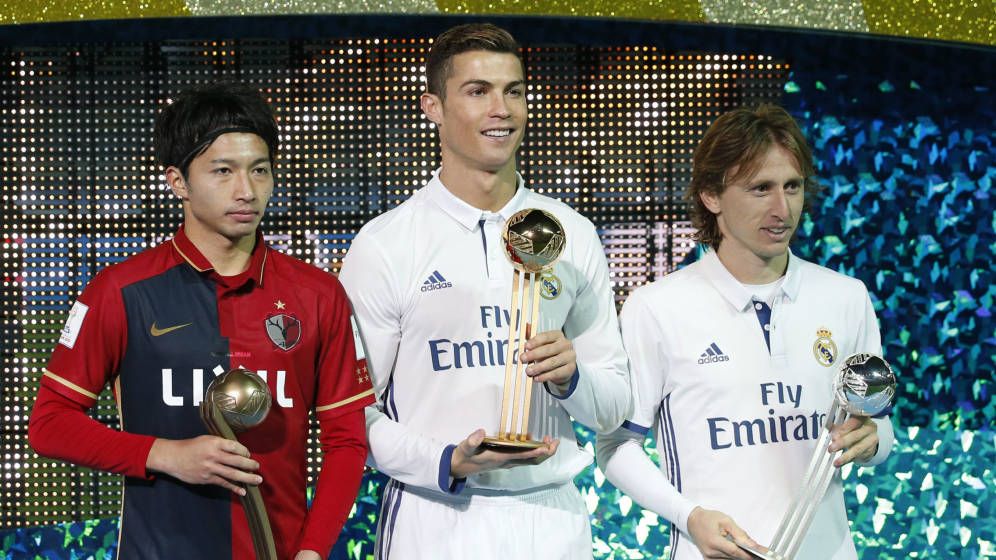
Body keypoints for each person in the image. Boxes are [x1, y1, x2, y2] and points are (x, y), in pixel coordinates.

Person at [28, 81, 375, 560]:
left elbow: (347, 441)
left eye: (260, 170)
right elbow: (49, 424)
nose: (246, 191)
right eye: (223, 171)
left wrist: (313, 550)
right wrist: (165, 454)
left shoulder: (319, 295)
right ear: (178, 182)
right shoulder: (120, 291)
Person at [338, 23, 631, 559]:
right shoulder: (386, 244)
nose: (502, 109)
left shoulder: (572, 233)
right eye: (478, 91)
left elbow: (612, 407)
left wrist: (572, 379)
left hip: (553, 521)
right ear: (433, 107)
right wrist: (445, 460)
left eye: (513, 91)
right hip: (435, 516)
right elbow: (352, 415)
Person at [596, 105, 895, 560]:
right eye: (761, 189)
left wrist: (873, 440)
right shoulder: (656, 308)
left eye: (792, 186)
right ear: (711, 196)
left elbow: (879, 428)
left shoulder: (846, 297)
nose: (782, 209)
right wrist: (689, 516)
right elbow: (617, 446)